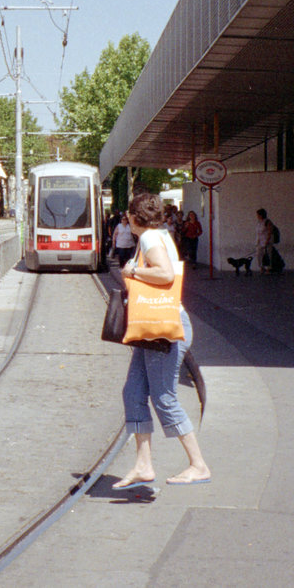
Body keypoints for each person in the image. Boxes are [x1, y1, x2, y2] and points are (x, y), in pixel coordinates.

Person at [112, 191, 211, 489]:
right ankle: (143, 465)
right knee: (133, 392)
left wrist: (133, 270)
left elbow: (166, 274)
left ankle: (198, 464)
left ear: (133, 217)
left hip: (164, 326)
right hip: (154, 327)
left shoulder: (148, 239)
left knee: (164, 397)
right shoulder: (160, 234)